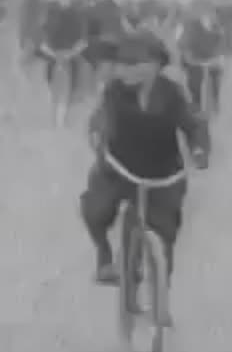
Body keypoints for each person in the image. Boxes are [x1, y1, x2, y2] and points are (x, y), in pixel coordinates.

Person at [81, 31, 209, 320]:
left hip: (164, 172)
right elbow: (101, 118)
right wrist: (96, 134)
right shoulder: (114, 92)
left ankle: (160, 296)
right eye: (122, 64)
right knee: (96, 208)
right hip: (120, 167)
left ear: (154, 65)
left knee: (166, 233)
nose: (125, 70)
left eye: (134, 64)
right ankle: (105, 257)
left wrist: (199, 150)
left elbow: (193, 123)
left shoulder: (172, 94)